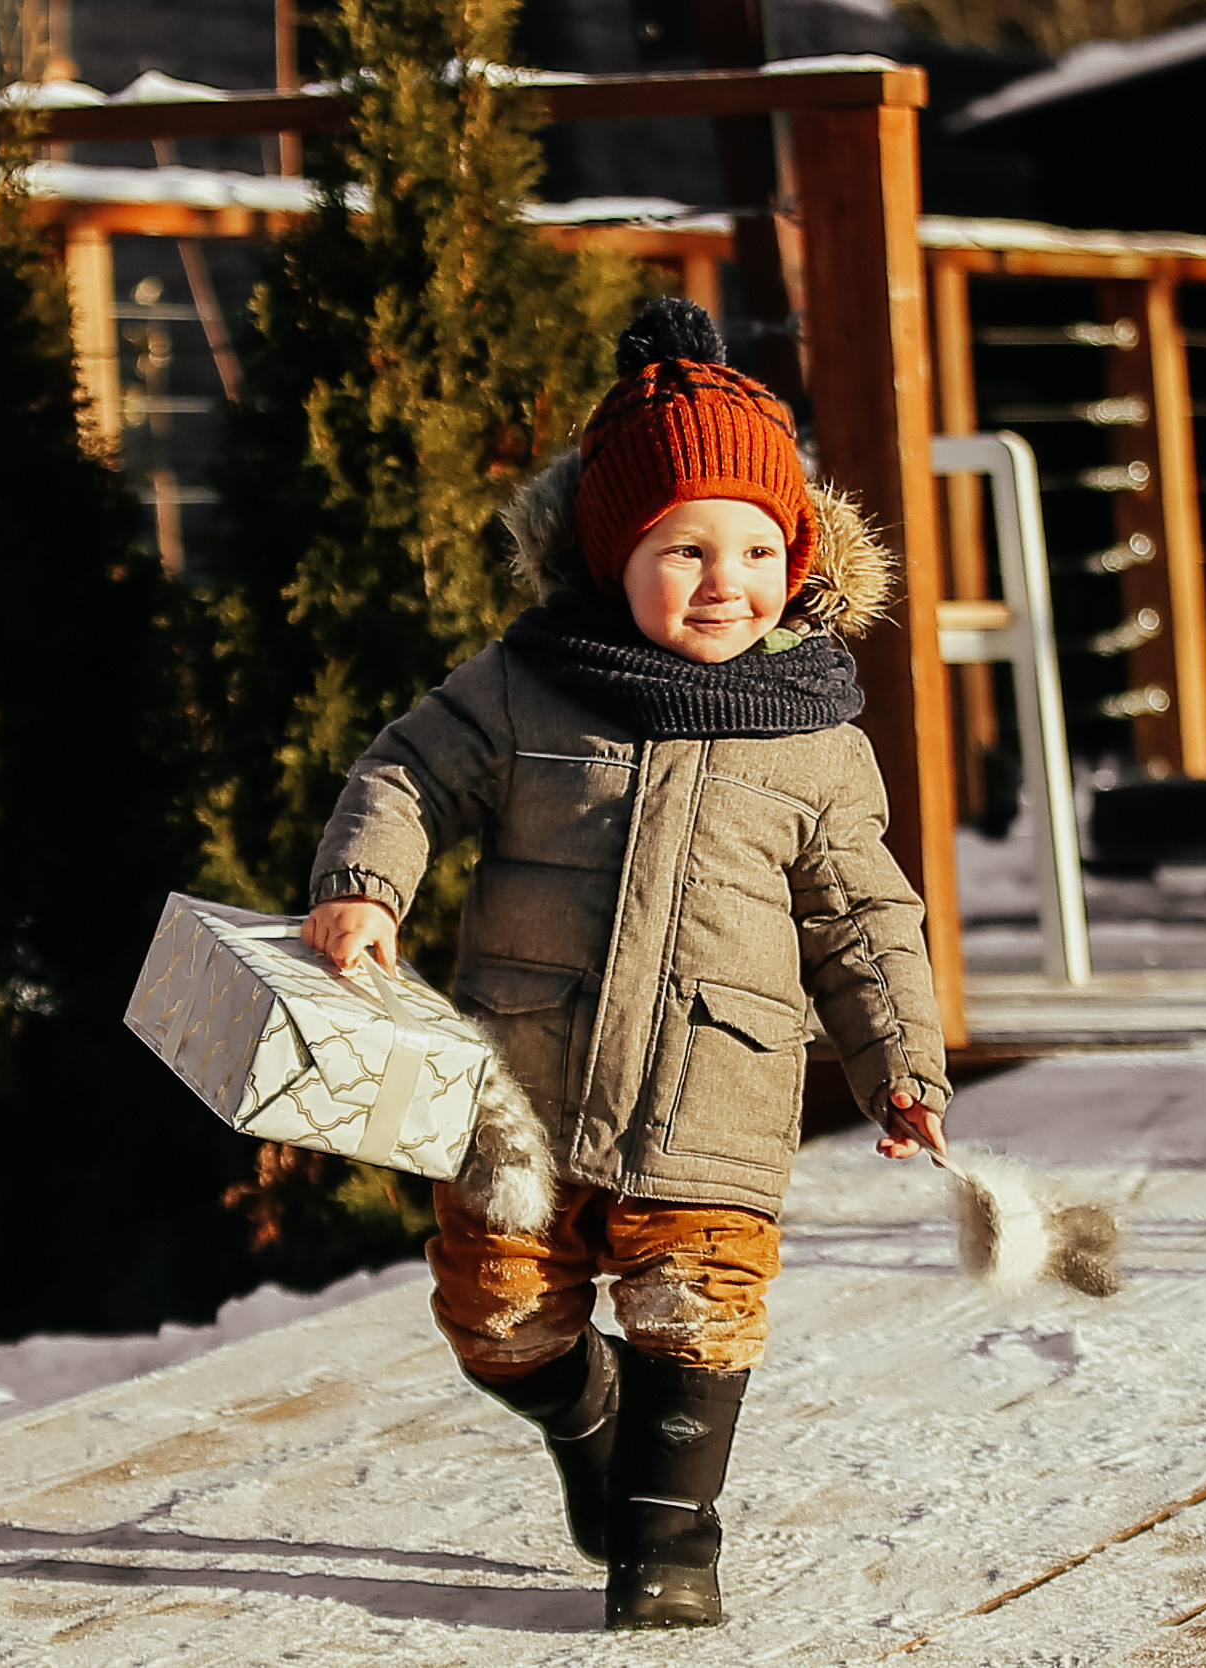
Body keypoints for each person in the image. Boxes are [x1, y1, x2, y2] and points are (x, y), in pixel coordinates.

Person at [296, 298, 951, 1630]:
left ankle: (669, 1551)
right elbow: (410, 776)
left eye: (759, 548)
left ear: (800, 559)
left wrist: (903, 1067)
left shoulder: (811, 738)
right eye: (683, 548)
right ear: (608, 556)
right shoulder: (528, 688)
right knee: (499, 1323)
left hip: (717, 1091)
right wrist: (365, 888)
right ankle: (583, 1413)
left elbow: (864, 924)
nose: (726, 579)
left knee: (691, 1312)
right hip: (519, 1089)